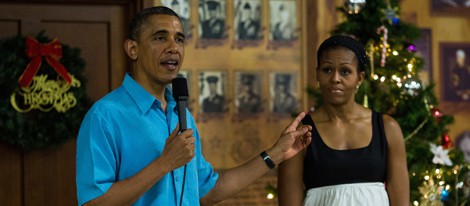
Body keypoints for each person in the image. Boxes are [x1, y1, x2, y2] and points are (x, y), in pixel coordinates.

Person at [75, 6, 312, 206]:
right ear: (132, 49)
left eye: (179, 39)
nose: (173, 47)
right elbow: (93, 202)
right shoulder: (105, 116)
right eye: (160, 37)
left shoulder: (180, 114)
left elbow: (208, 190)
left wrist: (275, 154)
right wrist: (164, 163)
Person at [278, 35, 410, 206]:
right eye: (327, 70)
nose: (335, 79)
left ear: (359, 78)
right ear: (317, 74)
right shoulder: (301, 135)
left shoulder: (387, 127)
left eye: (345, 71)